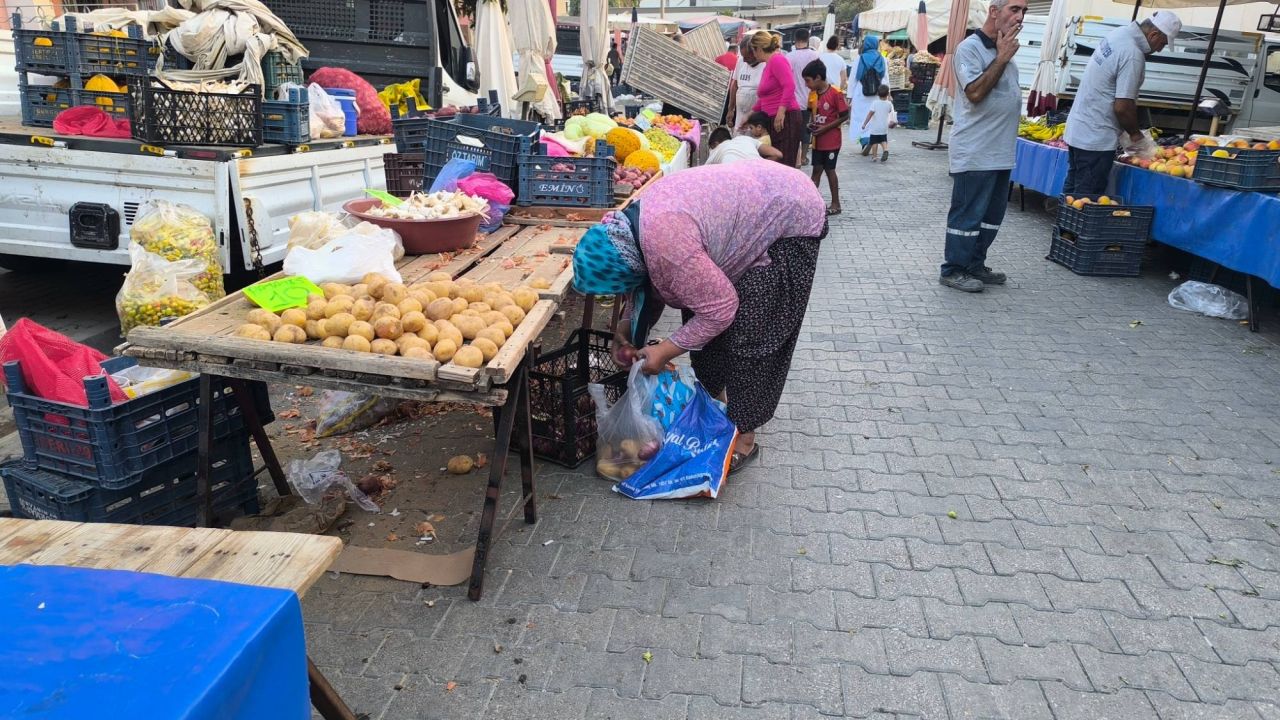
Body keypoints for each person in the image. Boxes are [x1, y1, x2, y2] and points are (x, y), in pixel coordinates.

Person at [571, 161, 827, 472]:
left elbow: (721, 309)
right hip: (752, 205)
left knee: (752, 333)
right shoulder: (628, 235)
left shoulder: (666, 246)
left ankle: (744, 434)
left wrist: (665, 349)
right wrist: (625, 330)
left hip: (790, 215)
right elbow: (646, 288)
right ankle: (714, 408)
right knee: (699, 308)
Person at [937, 0, 1027, 293]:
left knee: (990, 217)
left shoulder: (1006, 50)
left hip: (1000, 153)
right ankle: (953, 269)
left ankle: (975, 264)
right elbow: (974, 92)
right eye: (1014, 9)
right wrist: (1001, 58)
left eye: (1024, 10)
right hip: (976, 152)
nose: (1020, 16)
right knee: (968, 215)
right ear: (993, 11)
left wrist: (1004, 56)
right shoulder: (970, 49)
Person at [1062, 11, 1181, 195]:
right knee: (1086, 198)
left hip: (1079, 129)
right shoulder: (1132, 54)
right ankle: (1068, 224)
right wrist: (1135, 136)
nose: (1160, 49)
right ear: (1153, 35)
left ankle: (1063, 224)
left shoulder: (1119, 34)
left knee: (1072, 192)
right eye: (1162, 43)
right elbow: (1122, 107)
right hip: (1097, 138)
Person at [750, 30, 804, 167]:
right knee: (776, 164)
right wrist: (749, 116)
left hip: (786, 118)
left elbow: (789, 85)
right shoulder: (768, 65)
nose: (753, 54)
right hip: (773, 118)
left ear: (760, 48)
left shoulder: (777, 60)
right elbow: (764, 97)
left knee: (784, 164)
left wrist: (781, 112)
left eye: (753, 50)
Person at [803, 59, 848, 214]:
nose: (806, 84)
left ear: (817, 78)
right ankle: (809, 203)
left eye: (808, 80)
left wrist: (825, 128)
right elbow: (811, 114)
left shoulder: (836, 93)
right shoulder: (812, 95)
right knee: (816, 170)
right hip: (817, 141)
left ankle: (836, 203)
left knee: (830, 170)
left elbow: (844, 116)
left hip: (831, 141)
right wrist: (811, 125)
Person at [788, 28, 820, 166]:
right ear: (808, 39)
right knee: (807, 129)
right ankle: (803, 157)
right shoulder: (815, 56)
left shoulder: (789, 57)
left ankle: (795, 156)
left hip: (792, 101)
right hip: (810, 100)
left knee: (793, 131)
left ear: (795, 40)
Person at [849, 35, 886, 151]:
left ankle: (864, 141)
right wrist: (887, 94)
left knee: (859, 117)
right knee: (874, 117)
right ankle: (871, 138)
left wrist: (849, 95)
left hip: (861, 91)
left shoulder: (860, 58)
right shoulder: (882, 59)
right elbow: (885, 78)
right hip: (877, 93)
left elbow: (853, 78)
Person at [727, 37, 765, 133]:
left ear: (755, 53)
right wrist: (731, 109)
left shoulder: (766, 64)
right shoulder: (740, 60)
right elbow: (734, 84)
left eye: (747, 57)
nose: (744, 60)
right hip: (740, 117)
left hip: (757, 122)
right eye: (742, 56)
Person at [707, 125, 784, 164]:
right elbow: (778, 154)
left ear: (715, 144)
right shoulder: (745, 139)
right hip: (758, 172)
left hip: (733, 177)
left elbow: (702, 176)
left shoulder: (716, 150)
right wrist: (760, 165)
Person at [860, 84, 894, 162]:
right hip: (884, 127)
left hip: (875, 127)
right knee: (883, 140)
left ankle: (874, 156)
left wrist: (864, 124)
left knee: (874, 142)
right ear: (887, 94)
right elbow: (889, 111)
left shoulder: (875, 103)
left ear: (877, 94)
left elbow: (870, 114)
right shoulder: (889, 104)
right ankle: (885, 150)